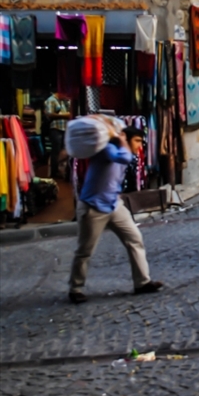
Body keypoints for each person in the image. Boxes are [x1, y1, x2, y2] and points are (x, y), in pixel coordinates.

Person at [68, 124, 163, 304]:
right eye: (136, 141)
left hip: (114, 204)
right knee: (85, 250)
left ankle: (142, 282)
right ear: (125, 138)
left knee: (135, 239)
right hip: (93, 207)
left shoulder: (120, 148)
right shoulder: (108, 148)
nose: (139, 146)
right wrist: (121, 141)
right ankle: (75, 288)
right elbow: (123, 157)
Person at [43, 90, 71, 178]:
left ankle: (63, 170)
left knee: (64, 150)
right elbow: (49, 114)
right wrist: (64, 115)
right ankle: (54, 172)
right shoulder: (51, 100)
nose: (66, 96)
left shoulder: (64, 101)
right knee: (56, 150)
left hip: (65, 128)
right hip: (56, 128)